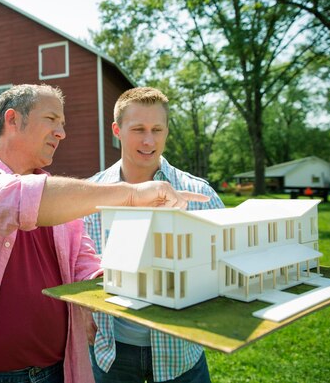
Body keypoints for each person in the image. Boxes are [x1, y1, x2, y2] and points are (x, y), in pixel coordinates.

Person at [0, 84, 209, 383]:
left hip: (56, 372)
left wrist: (122, 281)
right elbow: (18, 199)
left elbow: (84, 262)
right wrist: (131, 195)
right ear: (12, 120)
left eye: (62, 124)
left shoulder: (60, 196)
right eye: (51, 119)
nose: (61, 133)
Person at [84, 87, 225, 383]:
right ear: (116, 130)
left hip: (182, 353)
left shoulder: (200, 194)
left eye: (157, 129)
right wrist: (81, 309)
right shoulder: (89, 196)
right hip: (111, 353)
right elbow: (73, 265)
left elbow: (228, 261)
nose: (149, 140)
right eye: (138, 129)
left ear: (166, 131)